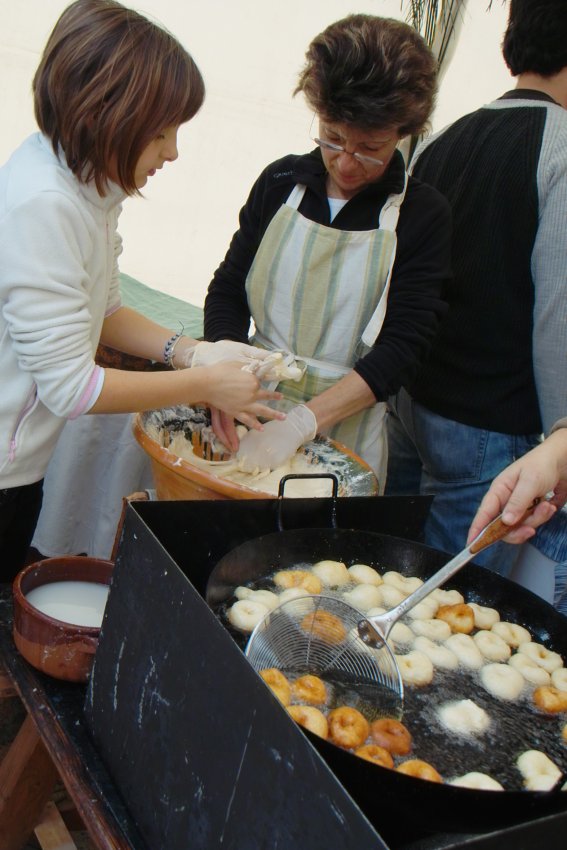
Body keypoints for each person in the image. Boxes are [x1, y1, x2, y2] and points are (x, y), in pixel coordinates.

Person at [0, 0, 283, 581]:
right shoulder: (46, 206)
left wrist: (197, 352)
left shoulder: (89, 189)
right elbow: (71, 389)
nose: (173, 151)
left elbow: (104, 312)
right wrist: (206, 383)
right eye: (160, 133)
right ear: (106, 116)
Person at [203, 14, 451, 488]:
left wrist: (302, 424)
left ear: (404, 131)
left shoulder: (421, 214)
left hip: (347, 436)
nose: (345, 162)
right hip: (249, 413)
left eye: (370, 148)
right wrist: (221, 377)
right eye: (332, 137)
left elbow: (403, 347)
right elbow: (229, 288)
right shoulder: (281, 183)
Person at [385, 0, 567, 583]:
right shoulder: (561, 150)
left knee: (387, 567)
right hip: (486, 429)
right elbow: (558, 314)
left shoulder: (449, 137)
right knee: (447, 603)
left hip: (413, 399)